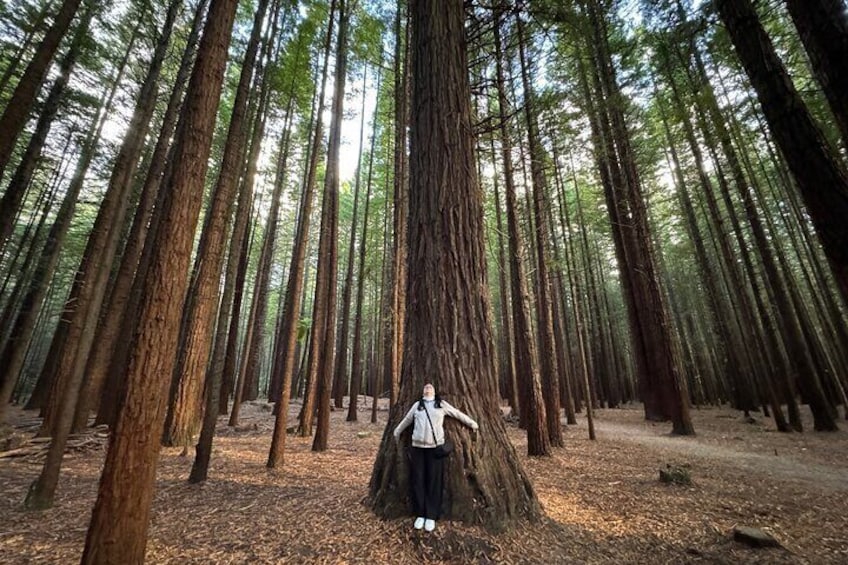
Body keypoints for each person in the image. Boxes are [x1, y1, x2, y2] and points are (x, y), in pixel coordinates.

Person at [393, 383, 479, 532]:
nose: (427, 388)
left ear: (434, 391)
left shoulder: (441, 405)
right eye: (425, 387)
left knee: (434, 482)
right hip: (418, 448)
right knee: (418, 480)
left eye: (430, 387)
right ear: (422, 391)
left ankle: (431, 516)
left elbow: (456, 413)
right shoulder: (417, 406)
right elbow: (407, 420)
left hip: (435, 449)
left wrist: (472, 423)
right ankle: (420, 514)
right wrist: (397, 431)